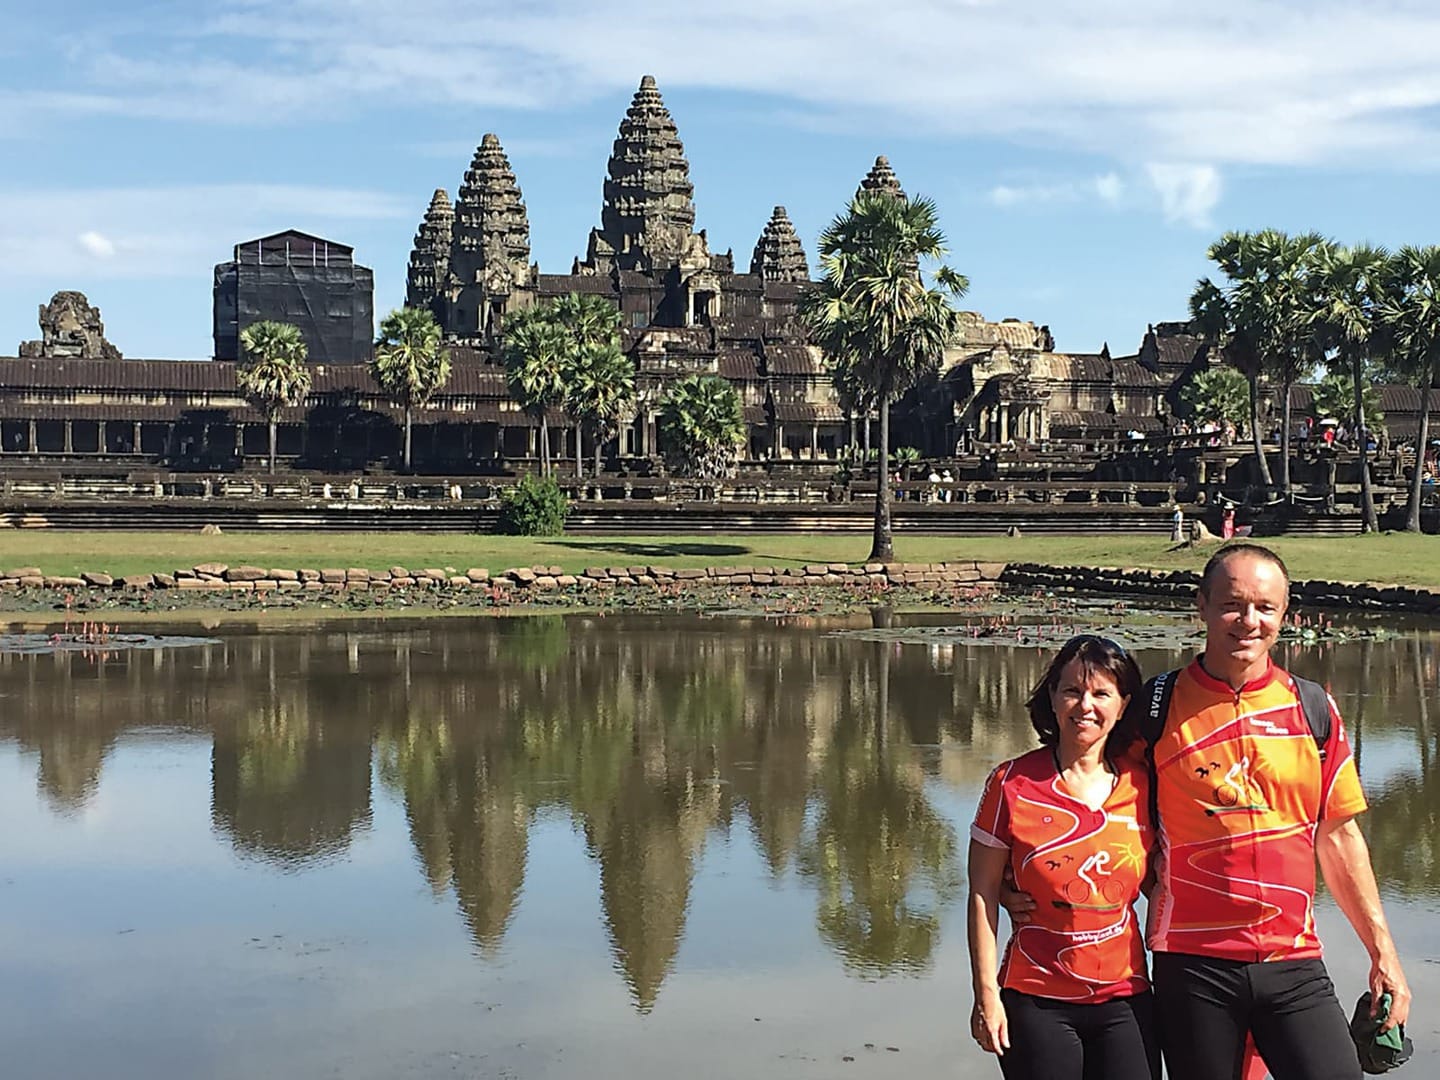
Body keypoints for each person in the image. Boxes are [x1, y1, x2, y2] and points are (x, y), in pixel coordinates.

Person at [1003, 543, 1411, 1080]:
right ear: (1202, 606)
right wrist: (1019, 878)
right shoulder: (1155, 708)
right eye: (1232, 604)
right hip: (1192, 963)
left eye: (1265, 607)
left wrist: (1384, 953)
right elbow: (1086, 794)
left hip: (1293, 959)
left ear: (1284, 614)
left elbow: (1338, 837)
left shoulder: (1313, 709)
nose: (1248, 621)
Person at [967, 635, 1159, 1080]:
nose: (1084, 705)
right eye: (1071, 690)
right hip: (1036, 999)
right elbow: (981, 892)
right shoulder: (1010, 782)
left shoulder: (1147, 784)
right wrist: (986, 997)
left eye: (1101, 693)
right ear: (1052, 696)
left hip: (1126, 996)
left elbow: (1162, 878)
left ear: (1124, 703)